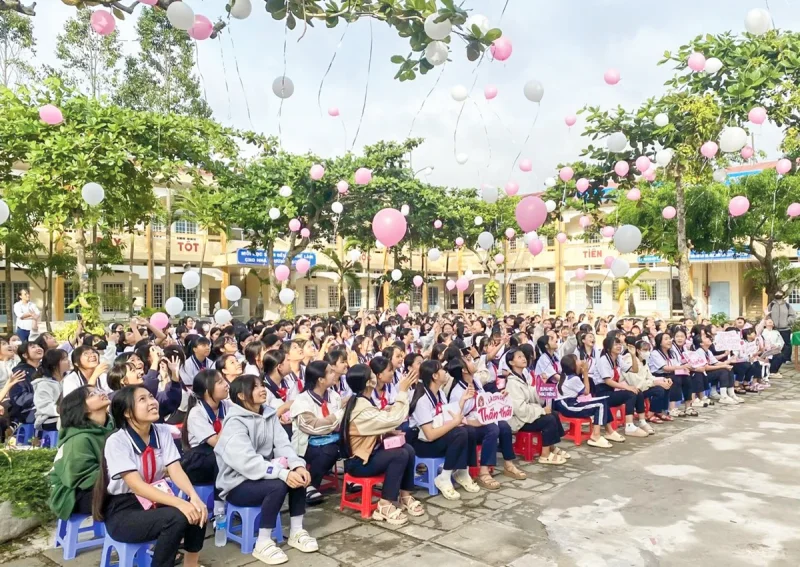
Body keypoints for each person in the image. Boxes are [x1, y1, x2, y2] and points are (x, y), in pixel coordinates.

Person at [95, 385, 208, 567]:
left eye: (151, 397)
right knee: (177, 517)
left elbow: (175, 469)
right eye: (142, 400)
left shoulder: (162, 432)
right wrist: (181, 503)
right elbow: (137, 486)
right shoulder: (117, 441)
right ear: (127, 413)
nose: (152, 402)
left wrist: (193, 497)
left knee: (197, 508)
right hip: (124, 509)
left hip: (155, 498)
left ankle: (191, 564)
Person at [215, 375, 319, 565]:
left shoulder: (269, 414)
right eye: (255, 387)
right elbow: (247, 462)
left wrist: (296, 465)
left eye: (262, 385)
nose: (262, 389)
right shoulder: (234, 423)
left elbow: (283, 445)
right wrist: (282, 472)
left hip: (263, 474)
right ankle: (263, 542)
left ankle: (296, 531)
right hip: (236, 484)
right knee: (279, 484)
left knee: (298, 475)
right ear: (241, 395)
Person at [340, 363, 424, 526]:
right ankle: (384, 505)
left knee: (408, 449)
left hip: (369, 453)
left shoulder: (362, 401)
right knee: (399, 454)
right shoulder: (361, 408)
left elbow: (374, 427)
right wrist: (403, 391)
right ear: (368, 383)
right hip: (358, 463)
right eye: (371, 374)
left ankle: (404, 495)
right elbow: (395, 419)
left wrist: (386, 432)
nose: (374, 375)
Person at [446, 360, 527, 488]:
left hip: (483, 419)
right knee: (493, 429)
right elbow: (456, 417)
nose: (473, 362)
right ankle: (483, 471)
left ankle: (508, 464)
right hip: (469, 425)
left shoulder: (476, 381)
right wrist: (474, 421)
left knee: (504, 426)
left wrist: (499, 397)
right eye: (469, 361)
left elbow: (485, 403)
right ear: (464, 370)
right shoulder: (457, 392)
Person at [409, 359, 480, 500]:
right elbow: (429, 435)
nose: (445, 371)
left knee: (470, 431)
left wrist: (463, 400)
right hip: (422, 443)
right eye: (441, 369)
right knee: (459, 432)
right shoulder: (422, 400)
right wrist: (454, 423)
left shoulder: (439, 393)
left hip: (437, 436)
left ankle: (462, 472)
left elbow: (448, 415)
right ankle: (445, 476)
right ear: (435, 376)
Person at [48, 386, 114, 520]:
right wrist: (124, 476)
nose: (101, 393)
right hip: (73, 494)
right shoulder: (78, 439)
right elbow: (81, 479)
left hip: (105, 482)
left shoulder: (111, 427)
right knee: (127, 499)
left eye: (99, 390)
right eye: (92, 394)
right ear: (83, 408)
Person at [290, 360, 343, 505]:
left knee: (350, 443)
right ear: (320, 379)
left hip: (332, 439)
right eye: (330, 372)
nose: (334, 374)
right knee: (329, 450)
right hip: (307, 444)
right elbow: (313, 427)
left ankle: (355, 478)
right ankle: (310, 485)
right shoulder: (302, 400)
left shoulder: (334, 396)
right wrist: (337, 417)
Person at [181, 369, 230, 522]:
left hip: (222, 454)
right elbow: (216, 442)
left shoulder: (228, 406)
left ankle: (238, 501)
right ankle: (218, 511)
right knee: (221, 458)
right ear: (208, 391)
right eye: (220, 382)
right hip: (197, 462)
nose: (226, 385)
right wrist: (231, 421)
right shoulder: (197, 413)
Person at [504, 348, 570, 462]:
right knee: (548, 419)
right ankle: (544, 455)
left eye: (523, 356)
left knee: (553, 414)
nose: (524, 358)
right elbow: (520, 410)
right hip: (519, 420)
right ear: (511, 363)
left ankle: (551, 447)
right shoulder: (512, 383)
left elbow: (533, 395)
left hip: (526, 416)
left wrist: (541, 386)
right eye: (519, 357)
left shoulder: (522, 378)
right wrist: (542, 410)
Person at [589, 336, 649, 438]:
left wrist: (633, 356)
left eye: (620, 344)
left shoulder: (618, 358)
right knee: (630, 393)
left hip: (611, 391)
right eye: (616, 344)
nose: (619, 346)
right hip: (602, 393)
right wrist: (626, 387)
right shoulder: (603, 360)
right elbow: (607, 381)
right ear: (608, 347)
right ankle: (629, 426)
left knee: (637, 391)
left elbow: (634, 370)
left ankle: (642, 422)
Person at [552, 354, 613, 448]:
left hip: (568, 404)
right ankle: (596, 436)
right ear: (572, 365)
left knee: (603, 401)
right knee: (600, 405)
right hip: (568, 405)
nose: (581, 361)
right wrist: (585, 373)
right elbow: (586, 391)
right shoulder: (573, 379)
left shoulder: (566, 376)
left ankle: (610, 431)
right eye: (577, 360)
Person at [32, 348, 70, 431]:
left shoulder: (70, 378)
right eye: (64, 359)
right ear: (54, 364)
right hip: (48, 419)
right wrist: (62, 409)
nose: (68, 361)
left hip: (68, 414)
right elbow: (44, 407)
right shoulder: (43, 383)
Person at [767, 290, 795, 363]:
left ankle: (787, 359)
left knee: (786, 344)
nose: (778, 294)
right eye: (777, 293)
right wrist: (770, 322)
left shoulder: (787, 305)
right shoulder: (771, 304)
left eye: (780, 293)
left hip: (785, 329)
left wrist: (787, 322)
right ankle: (775, 358)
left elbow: (792, 315)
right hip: (774, 329)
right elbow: (767, 315)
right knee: (774, 344)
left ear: (783, 295)